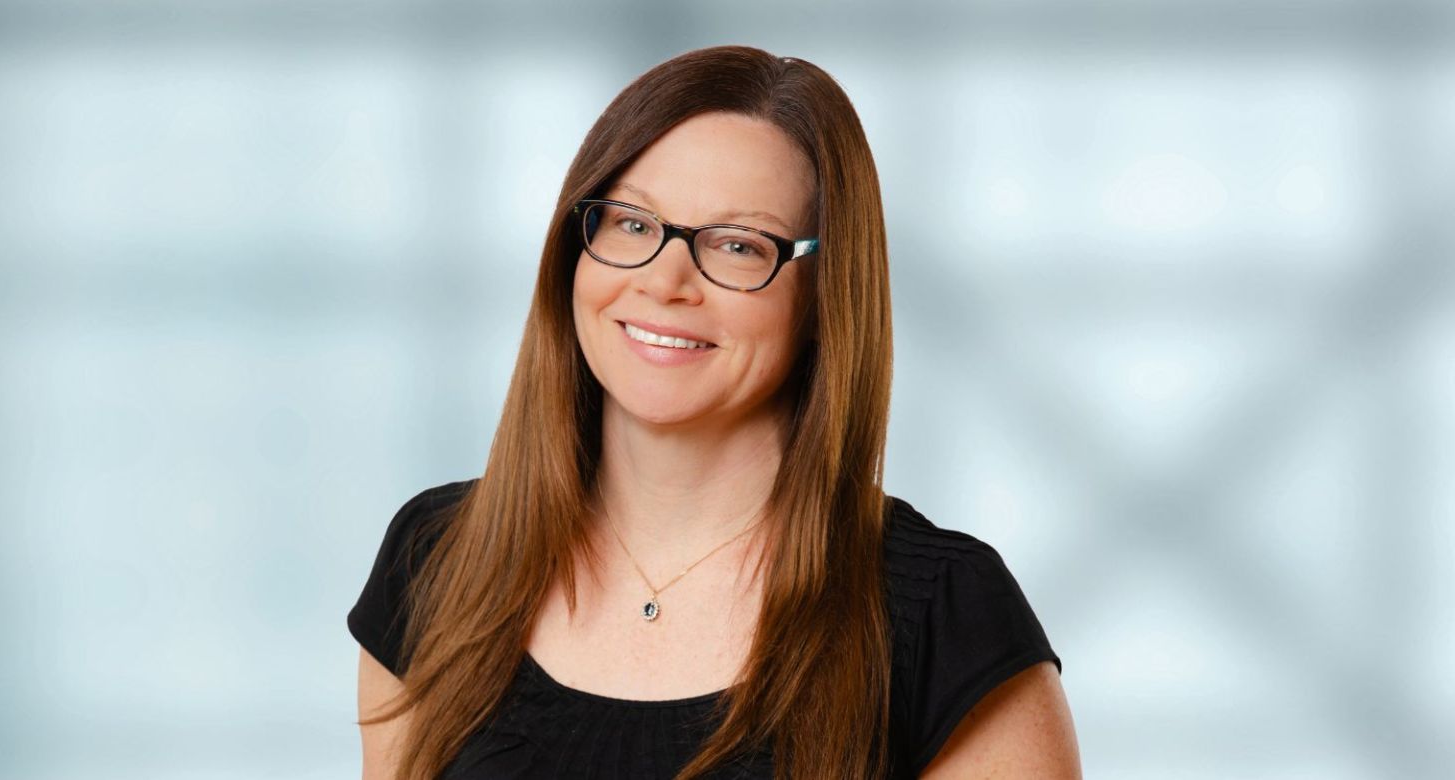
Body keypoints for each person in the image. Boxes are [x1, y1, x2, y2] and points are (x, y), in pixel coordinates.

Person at [348, 45, 1079, 779]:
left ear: (825, 296)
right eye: (632, 224)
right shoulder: (436, 558)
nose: (667, 281)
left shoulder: (948, 614)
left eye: (736, 245)